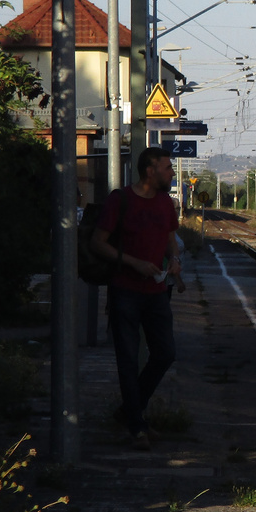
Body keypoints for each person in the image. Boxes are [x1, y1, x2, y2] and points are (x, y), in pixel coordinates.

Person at [90, 147, 182, 450]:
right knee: (127, 359)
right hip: (125, 291)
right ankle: (137, 426)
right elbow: (98, 243)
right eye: (167, 167)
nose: (171, 172)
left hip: (156, 293)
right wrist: (134, 263)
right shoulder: (121, 200)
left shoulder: (166, 203)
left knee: (165, 353)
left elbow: (171, 242)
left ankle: (128, 413)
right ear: (150, 171)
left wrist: (175, 260)